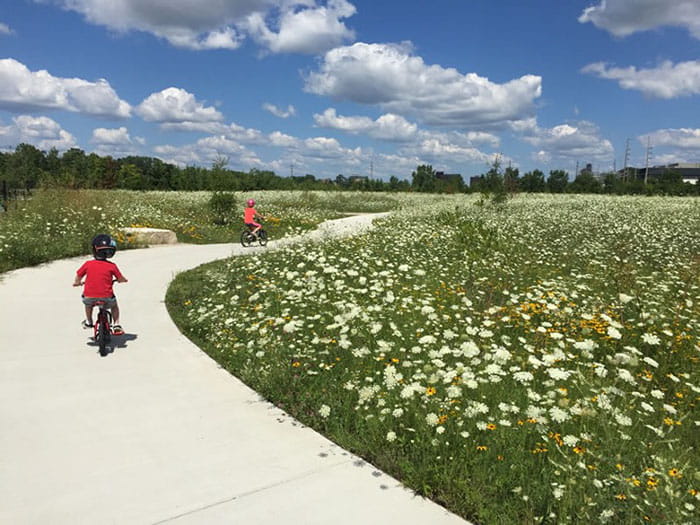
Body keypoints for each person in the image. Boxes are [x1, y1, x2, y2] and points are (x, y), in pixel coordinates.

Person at [73, 234, 128, 335]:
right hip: (107, 297)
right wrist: (123, 280)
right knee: (114, 306)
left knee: (88, 305)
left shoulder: (88, 264)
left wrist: (77, 283)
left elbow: (78, 275)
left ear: (94, 249)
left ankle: (89, 321)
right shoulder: (112, 266)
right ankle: (116, 325)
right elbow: (120, 278)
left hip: (89, 296)